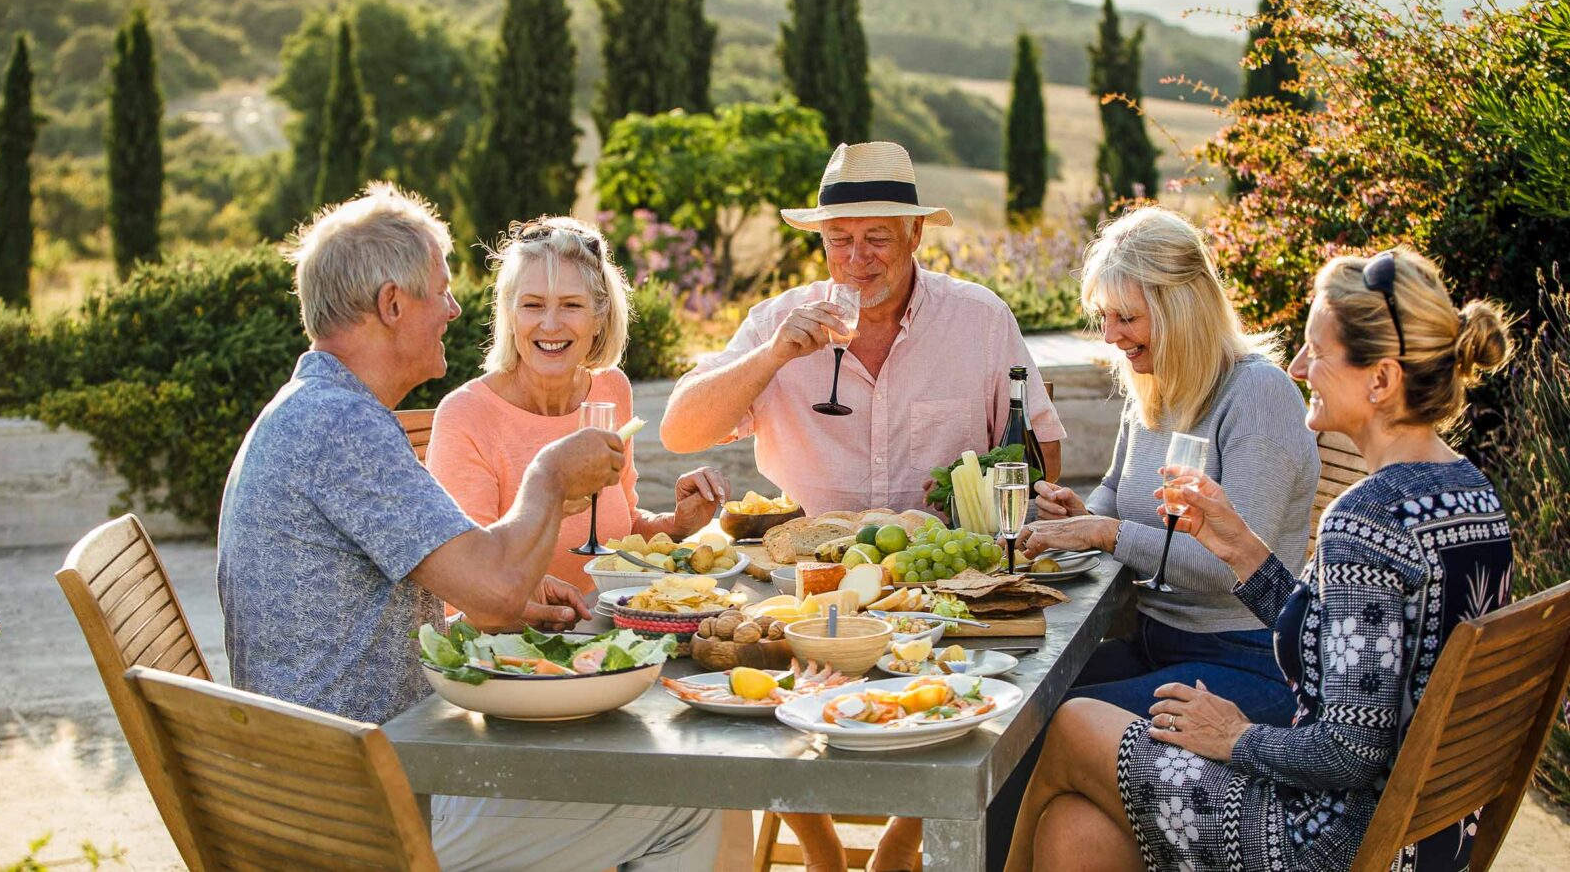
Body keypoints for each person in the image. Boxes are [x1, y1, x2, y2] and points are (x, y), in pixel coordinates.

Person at [217, 183, 719, 871]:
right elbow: (492, 592)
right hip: (361, 810)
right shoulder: (339, 427)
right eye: (441, 292)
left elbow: (480, 577)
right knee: (696, 801)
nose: (455, 309)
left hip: (357, 771)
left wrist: (523, 580)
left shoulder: (318, 408)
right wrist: (547, 475)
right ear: (392, 305)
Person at [1007, 247, 1515, 871]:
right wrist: (1242, 551)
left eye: (1317, 352)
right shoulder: (1472, 496)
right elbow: (1347, 647)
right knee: (1075, 829)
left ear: (1379, 381)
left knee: (1074, 723)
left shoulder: (1366, 519)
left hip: (1322, 840)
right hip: (1424, 838)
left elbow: (1348, 753)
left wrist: (1234, 736)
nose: (1299, 367)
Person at [663, 141, 1064, 871]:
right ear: (820, 241)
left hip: (934, 587)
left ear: (915, 234)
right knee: (759, 684)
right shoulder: (779, 321)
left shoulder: (978, 318)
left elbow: (1040, 453)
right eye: (839, 239)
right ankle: (820, 853)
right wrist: (772, 358)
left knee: (983, 687)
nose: (857, 257)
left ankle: (896, 844)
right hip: (801, 589)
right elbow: (680, 427)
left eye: (878, 236)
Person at [986, 206, 1322, 866]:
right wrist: (1076, 512)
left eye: (1126, 317)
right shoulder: (1158, 385)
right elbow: (1115, 491)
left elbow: (1231, 565)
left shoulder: (1257, 395)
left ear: (1180, 308)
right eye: (1103, 316)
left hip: (1245, 664)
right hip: (1157, 646)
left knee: (1050, 726)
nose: (1110, 335)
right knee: (1012, 713)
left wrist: (1107, 532)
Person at [426, 216, 727, 594]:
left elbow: (623, 528)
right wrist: (548, 503)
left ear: (599, 317)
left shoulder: (610, 390)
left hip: (615, 624)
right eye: (533, 305)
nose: (550, 325)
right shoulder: (465, 416)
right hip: (521, 640)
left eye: (571, 305)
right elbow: (470, 577)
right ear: (510, 314)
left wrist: (677, 524)